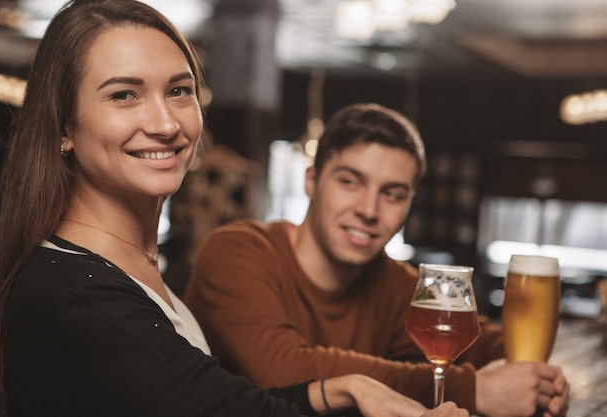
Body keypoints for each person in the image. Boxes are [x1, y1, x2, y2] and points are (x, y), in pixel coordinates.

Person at [0, 1, 470, 417]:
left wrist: (341, 388)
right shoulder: (77, 294)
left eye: (179, 90)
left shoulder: (122, 269)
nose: (165, 122)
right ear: (64, 127)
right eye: (124, 95)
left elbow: (203, 401)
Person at [185, 103, 571, 417]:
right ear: (311, 180)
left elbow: (494, 347)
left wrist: (541, 382)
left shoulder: (398, 283)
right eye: (350, 181)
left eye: (392, 193)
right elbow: (280, 370)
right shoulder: (236, 251)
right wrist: (473, 391)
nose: (369, 210)